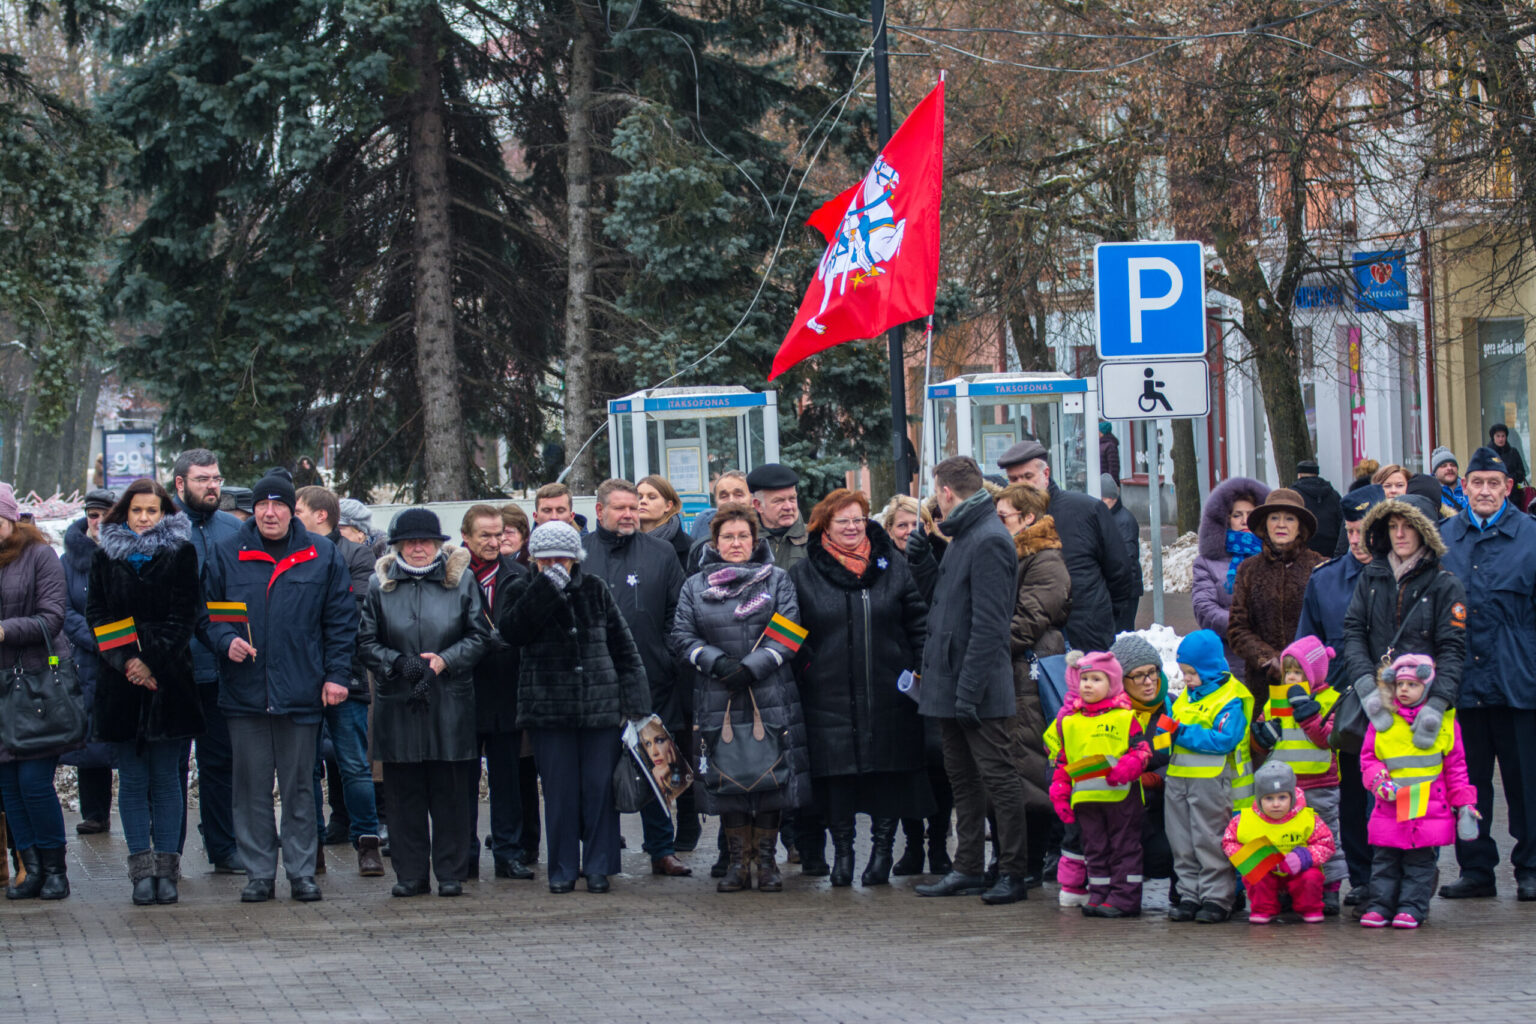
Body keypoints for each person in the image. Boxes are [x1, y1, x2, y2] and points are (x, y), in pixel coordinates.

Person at [201, 471, 359, 904]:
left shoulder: (321, 554)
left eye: (279, 505)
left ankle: (302, 872)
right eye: (262, 505)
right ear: (253, 509)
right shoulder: (226, 553)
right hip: (244, 694)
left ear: (293, 510)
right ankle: (258, 874)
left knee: (300, 789)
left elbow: (341, 622)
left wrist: (336, 676)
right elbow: (207, 615)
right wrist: (224, 640)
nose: (270, 513)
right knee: (250, 789)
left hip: (301, 692)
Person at [789, 488, 931, 888]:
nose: (852, 527)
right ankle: (844, 855)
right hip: (827, 694)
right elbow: (788, 630)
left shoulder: (894, 566)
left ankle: (882, 852)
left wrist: (919, 668)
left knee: (888, 775)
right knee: (837, 780)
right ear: (825, 526)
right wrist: (809, 667)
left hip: (890, 691)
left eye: (858, 519)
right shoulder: (803, 572)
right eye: (843, 521)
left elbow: (918, 622)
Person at [500, 520, 650, 894]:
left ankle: (599, 866)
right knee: (560, 792)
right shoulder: (521, 588)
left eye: (562, 560)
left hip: (599, 706)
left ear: (575, 559)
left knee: (599, 789)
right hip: (549, 709)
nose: (555, 566)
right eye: (546, 559)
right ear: (533, 559)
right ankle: (563, 868)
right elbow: (513, 632)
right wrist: (545, 590)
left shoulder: (595, 589)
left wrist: (635, 704)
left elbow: (624, 647)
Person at [670, 505, 808, 892]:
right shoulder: (695, 585)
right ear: (715, 542)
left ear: (754, 540)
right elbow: (682, 635)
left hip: (769, 692)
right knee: (728, 778)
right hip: (718, 693)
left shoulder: (777, 580)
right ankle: (737, 864)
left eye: (743, 536)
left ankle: (766, 864)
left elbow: (789, 631)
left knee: (770, 780)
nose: (736, 543)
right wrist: (718, 664)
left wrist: (751, 668)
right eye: (728, 537)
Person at [913, 457, 1031, 905]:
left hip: (976, 686)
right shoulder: (966, 533)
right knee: (963, 779)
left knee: (999, 779)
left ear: (945, 491)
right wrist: (923, 561)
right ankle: (967, 867)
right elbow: (945, 606)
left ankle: (1012, 872)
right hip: (952, 682)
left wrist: (968, 691)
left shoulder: (988, 539)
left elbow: (989, 627)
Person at [358, 508, 493, 897]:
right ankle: (411, 875)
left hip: (449, 702)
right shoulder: (379, 585)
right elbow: (366, 642)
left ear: (439, 544)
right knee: (403, 797)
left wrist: (445, 660)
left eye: (426, 541)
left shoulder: (462, 581)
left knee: (451, 794)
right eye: (410, 542)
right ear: (397, 546)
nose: (418, 548)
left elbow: (480, 636)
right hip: (398, 702)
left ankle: (450, 874)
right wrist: (398, 663)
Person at [87, 480, 205, 905]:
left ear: (164, 513)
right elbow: (96, 615)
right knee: (133, 782)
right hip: (121, 686)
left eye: (151, 511)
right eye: (136, 510)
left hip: (169, 681)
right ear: (124, 512)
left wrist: (150, 660)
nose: (143, 518)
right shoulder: (105, 555)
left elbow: (186, 613)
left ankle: (167, 870)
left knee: (167, 781)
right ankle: (141, 871)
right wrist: (126, 663)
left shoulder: (181, 552)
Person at [1435, 445, 1536, 901]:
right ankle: (1476, 869)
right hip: (1461, 687)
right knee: (1467, 786)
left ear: (1508, 489)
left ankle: (1531, 867)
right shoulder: (1443, 539)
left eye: (1494, 483)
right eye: (1477, 483)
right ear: (1465, 487)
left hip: (1520, 684)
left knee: (1527, 785)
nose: (1485, 491)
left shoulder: (1531, 537)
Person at [583, 480, 691, 878]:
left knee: (655, 766)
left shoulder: (661, 553)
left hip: (651, 680)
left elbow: (677, 613)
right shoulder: (580, 553)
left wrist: (664, 657)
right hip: (593, 686)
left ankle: (662, 849)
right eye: (620, 508)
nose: (629, 514)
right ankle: (602, 854)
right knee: (596, 774)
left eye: (634, 508)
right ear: (600, 511)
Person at [1296, 483, 1383, 904]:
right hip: (1344, 710)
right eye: (1349, 531)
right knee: (1350, 796)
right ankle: (1363, 877)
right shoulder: (1326, 581)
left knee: (1391, 796)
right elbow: (1305, 647)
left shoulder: (1403, 576)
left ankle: (1395, 876)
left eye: (1363, 530)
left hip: (1394, 707)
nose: (1355, 540)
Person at [295, 486, 383, 876]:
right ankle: (311, 846)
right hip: (298, 679)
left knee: (353, 765)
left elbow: (354, 616)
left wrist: (336, 672)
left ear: (321, 516)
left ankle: (367, 842)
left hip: (345, 675)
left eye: (297, 510)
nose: (288, 516)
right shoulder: (291, 552)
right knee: (306, 767)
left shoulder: (355, 554)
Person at [1359, 654, 1478, 928]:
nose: (1404, 690)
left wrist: (1465, 805)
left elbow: (1456, 767)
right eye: (1399, 684)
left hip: (1428, 808)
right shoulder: (1382, 721)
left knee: (1419, 862)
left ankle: (1412, 907)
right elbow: (1369, 758)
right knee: (1384, 860)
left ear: (1426, 687)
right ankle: (1380, 906)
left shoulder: (1445, 722)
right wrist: (1379, 780)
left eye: (1411, 685)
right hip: (1389, 804)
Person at [170, 448, 244, 874]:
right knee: (174, 766)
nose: (213, 486)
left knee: (221, 761)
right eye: (202, 479)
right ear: (180, 484)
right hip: (177, 668)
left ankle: (224, 847)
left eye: (216, 478)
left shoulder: (232, 530)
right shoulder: (164, 529)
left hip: (223, 667)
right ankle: (170, 850)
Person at [0, 483, 73, 900]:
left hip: (35, 687)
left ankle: (55, 867)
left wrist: (6, 630)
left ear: (11, 517)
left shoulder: (40, 556)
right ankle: (29, 869)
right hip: (0, 689)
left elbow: (52, 618)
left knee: (33, 781)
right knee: (8, 782)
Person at [997, 440, 1137, 652]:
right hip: (1031, 646)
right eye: (1013, 479)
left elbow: (1119, 571)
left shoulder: (1087, 510)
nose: (1021, 485)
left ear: (1045, 474)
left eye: (1028, 476)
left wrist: (1101, 615)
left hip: (1087, 636)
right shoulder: (1004, 520)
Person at [996, 482, 1070, 883]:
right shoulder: (1010, 554)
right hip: (1012, 669)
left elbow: (1029, 618)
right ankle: (1014, 858)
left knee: (1030, 764)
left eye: (1004, 516)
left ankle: (1030, 861)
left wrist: (987, 648)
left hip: (1029, 669)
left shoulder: (1044, 560)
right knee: (1009, 762)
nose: (997, 522)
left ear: (1027, 518)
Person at [459, 504, 533, 880]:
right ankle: (465, 855)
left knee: (507, 780)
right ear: (466, 537)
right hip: (464, 692)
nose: (494, 542)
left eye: (499, 534)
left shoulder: (519, 574)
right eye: (485, 535)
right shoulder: (451, 577)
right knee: (462, 782)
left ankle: (508, 852)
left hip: (506, 690)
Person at [1248, 636, 1347, 914]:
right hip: (1285, 789)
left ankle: (1329, 889)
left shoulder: (1331, 700)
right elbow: (1259, 742)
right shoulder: (1275, 701)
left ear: (1313, 673)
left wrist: (1306, 711)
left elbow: (1328, 739)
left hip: (1320, 784)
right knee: (1288, 838)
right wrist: (1262, 738)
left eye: (1298, 672)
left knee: (1325, 838)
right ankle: (1290, 888)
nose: (1292, 677)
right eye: (1288, 671)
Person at [1049, 651, 1150, 918]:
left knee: (1123, 848)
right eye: (1084, 679)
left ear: (1112, 683)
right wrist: (1060, 794)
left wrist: (1127, 767)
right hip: (1087, 800)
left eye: (1096, 679)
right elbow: (1063, 762)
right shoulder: (1070, 722)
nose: (1088, 685)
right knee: (1094, 849)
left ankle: (1125, 897)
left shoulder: (1124, 717)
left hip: (1121, 798)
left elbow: (1141, 751)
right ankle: (1100, 893)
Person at [878, 494, 950, 875]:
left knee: (939, 764)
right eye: (900, 525)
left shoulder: (942, 556)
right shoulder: (880, 564)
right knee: (907, 764)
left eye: (915, 524)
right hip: (896, 676)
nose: (908, 532)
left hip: (935, 673)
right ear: (889, 530)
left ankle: (939, 844)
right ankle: (913, 847)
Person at [1165, 628, 1254, 924]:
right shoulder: (1184, 700)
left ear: (1209, 667)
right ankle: (1189, 894)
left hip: (1211, 783)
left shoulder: (1229, 699)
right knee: (1182, 841)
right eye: (1184, 672)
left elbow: (1224, 740)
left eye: (1192, 673)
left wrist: (1181, 733)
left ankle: (1217, 897)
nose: (1187, 679)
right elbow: (1169, 736)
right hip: (1179, 781)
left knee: (1210, 839)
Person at [1227, 488, 1327, 691]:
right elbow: (1237, 629)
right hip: (1263, 683)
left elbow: (1328, 626)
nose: (1281, 524)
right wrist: (1268, 658)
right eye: (1274, 518)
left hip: (1311, 680)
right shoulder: (1249, 569)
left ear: (1300, 527)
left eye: (1290, 518)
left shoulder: (1320, 567)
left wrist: (1302, 661)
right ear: (1265, 525)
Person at [60, 489, 117, 836]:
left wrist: (117, 643)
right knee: (90, 740)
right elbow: (64, 610)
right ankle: (94, 812)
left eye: (105, 515)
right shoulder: (69, 561)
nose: (98, 522)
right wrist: (96, 641)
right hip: (87, 659)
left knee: (125, 736)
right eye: (93, 515)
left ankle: (141, 809)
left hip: (126, 657)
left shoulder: (129, 553)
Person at [1221, 761, 1334, 925]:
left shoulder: (1307, 818)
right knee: (1254, 876)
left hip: (1298, 870)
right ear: (1259, 798)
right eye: (1269, 798)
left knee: (1311, 877)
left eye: (1282, 797)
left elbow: (1326, 843)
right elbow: (1229, 842)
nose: (1276, 804)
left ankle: (1310, 908)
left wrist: (1303, 857)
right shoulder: (1244, 820)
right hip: (1265, 870)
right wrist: (1253, 858)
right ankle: (1263, 909)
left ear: (1292, 797)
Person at [1113, 634, 1176, 902]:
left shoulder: (1172, 708)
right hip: (1121, 807)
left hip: (1162, 808)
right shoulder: (1111, 714)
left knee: (1163, 855)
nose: (1149, 682)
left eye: (1152, 672)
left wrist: (1159, 778)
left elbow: (1180, 757)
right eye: (1138, 676)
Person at [1191, 476, 1269, 685]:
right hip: (1228, 659)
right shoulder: (1208, 562)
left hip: (1271, 659)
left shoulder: (1273, 557)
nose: (1244, 521)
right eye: (1237, 515)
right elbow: (1204, 608)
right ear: (1225, 519)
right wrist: (1241, 625)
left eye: (1250, 515)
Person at [1098, 475, 1143, 633]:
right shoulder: (1111, 517)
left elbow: (1127, 558)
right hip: (1121, 587)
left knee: (1122, 632)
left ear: (1111, 498)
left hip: (1126, 590)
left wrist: (1121, 589)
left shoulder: (1124, 521)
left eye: (1103, 500)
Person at [746, 463, 809, 573]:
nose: (788, 507)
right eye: (779, 501)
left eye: (792, 499)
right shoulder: (744, 540)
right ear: (758, 505)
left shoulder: (815, 538)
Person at [636, 474, 690, 570]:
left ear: (668, 506)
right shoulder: (623, 540)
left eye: (652, 497)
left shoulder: (688, 547)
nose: (643, 501)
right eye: (639, 497)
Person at [1291, 458, 1342, 558]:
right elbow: (1341, 521)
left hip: (1303, 548)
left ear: (1299, 475)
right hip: (1330, 548)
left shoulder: (1293, 495)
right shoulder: (1333, 494)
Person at [688, 470, 752, 544]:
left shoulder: (763, 527)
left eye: (738, 495)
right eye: (724, 496)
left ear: (752, 499)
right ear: (716, 501)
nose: (731, 501)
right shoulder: (703, 522)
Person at [1488, 423, 1528, 489]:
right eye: (1498, 436)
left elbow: (1522, 473)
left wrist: (1508, 478)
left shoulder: (1513, 452)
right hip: (1493, 492)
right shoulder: (1487, 454)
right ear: (1493, 437)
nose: (1501, 439)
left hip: (1513, 493)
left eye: (1503, 436)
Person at [1431, 447, 1467, 516]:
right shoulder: (1432, 494)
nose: (1449, 468)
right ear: (1435, 472)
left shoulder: (1468, 489)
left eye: (1453, 465)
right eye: (1443, 466)